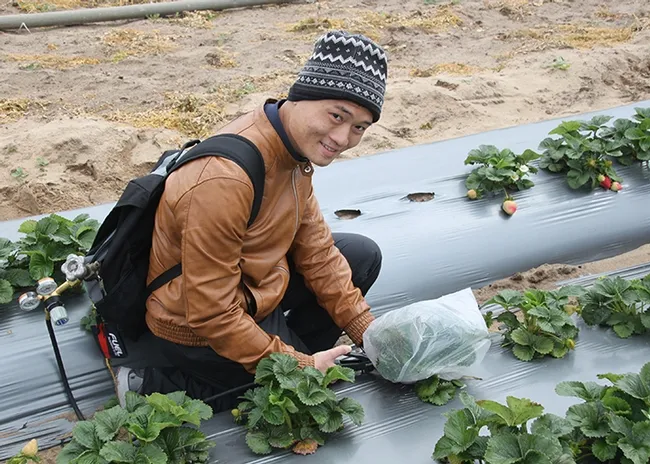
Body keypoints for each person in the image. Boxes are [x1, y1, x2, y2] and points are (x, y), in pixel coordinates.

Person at [115, 29, 389, 413]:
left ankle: (288, 354)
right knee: (286, 399)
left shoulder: (291, 151)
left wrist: (368, 331)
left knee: (359, 255)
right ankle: (152, 383)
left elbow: (318, 252)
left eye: (359, 126)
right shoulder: (224, 179)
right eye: (337, 115)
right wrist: (299, 366)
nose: (343, 137)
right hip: (193, 323)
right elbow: (210, 311)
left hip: (249, 290)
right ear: (302, 96)